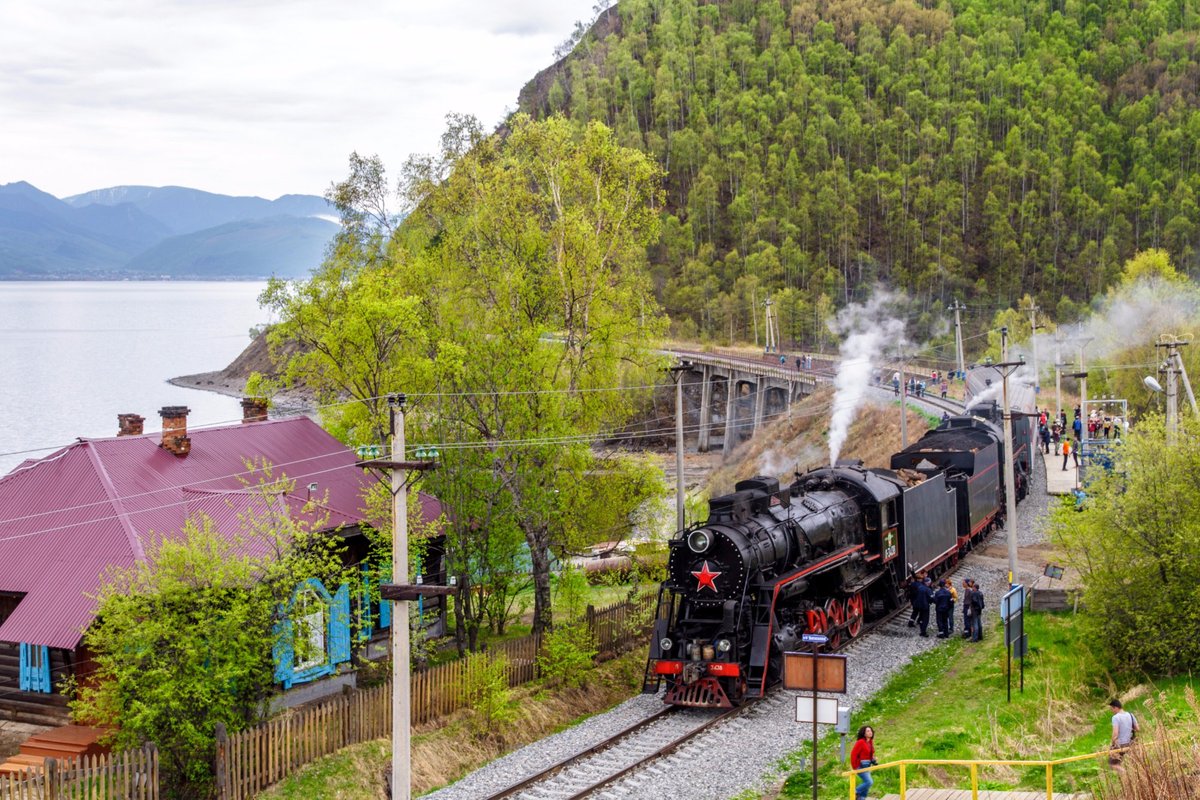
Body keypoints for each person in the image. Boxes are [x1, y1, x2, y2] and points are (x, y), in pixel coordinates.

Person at [1108, 699, 1139, 768]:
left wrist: (1113, 744)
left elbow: (1115, 733)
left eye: (1111, 709)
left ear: (1115, 707)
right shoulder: (1131, 715)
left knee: (1113, 764)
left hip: (1120, 744)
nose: (1111, 711)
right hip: (1131, 742)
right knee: (1135, 764)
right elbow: (1137, 729)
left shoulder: (1115, 717)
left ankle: (1123, 774)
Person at [850, 725, 876, 799]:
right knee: (869, 782)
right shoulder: (860, 742)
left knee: (867, 785)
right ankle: (855, 791)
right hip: (859, 766)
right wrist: (855, 767)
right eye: (868, 731)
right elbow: (853, 754)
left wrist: (873, 759)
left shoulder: (870, 742)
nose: (870, 732)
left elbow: (869, 754)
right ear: (864, 733)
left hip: (867, 765)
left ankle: (861, 798)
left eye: (871, 730)